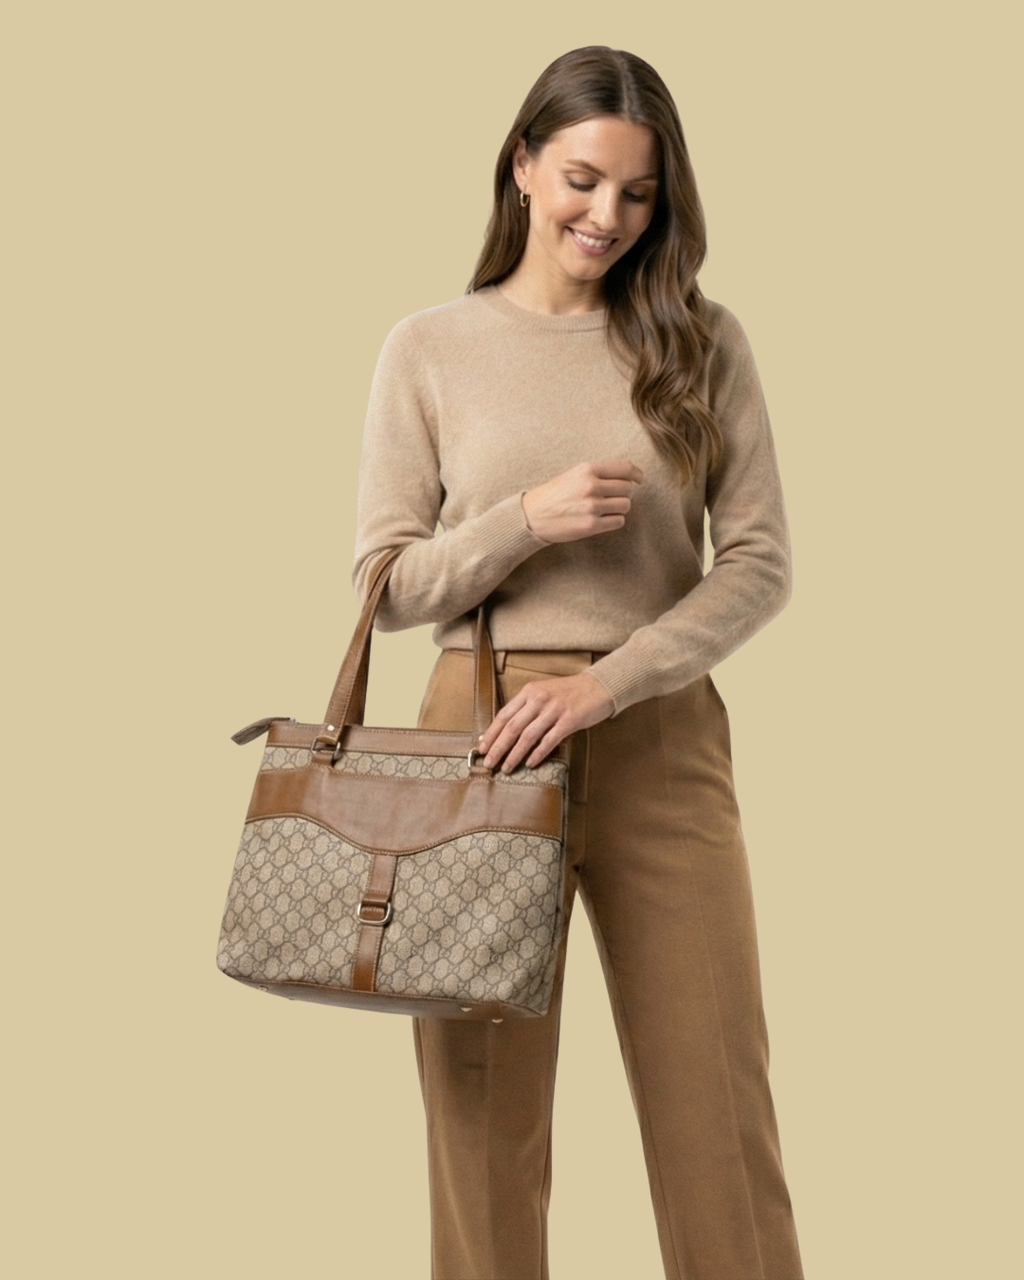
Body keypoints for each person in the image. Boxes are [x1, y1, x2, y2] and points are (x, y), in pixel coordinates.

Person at [351, 44, 804, 1280]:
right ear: (521, 165)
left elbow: (757, 564)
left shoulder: (700, 341)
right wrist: (521, 522)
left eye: (638, 194)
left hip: (655, 726)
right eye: (582, 179)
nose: (606, 216)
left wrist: (605, 682)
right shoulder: (431, 346)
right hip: (477, 737)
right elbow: (384, 587)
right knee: (481, 1107)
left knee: (715, 1090)